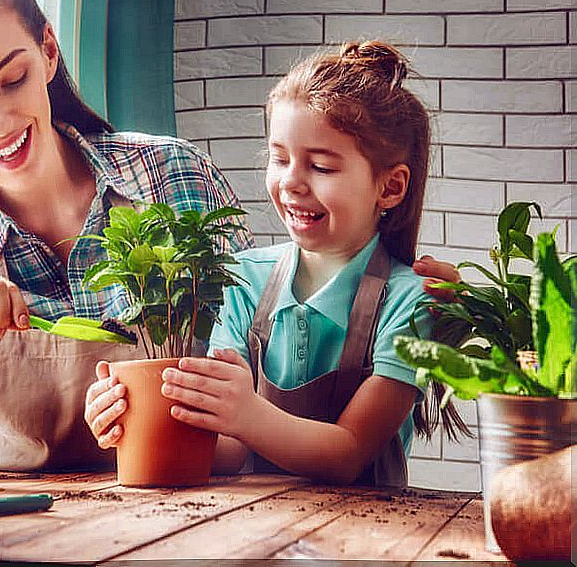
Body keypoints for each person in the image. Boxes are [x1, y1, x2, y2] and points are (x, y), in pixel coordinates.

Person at [0, 0, 458, 474]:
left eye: (13, 77)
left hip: (195, 523)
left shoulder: (175, 180)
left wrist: (403, 304)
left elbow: (282, 341)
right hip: (10, 535)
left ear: (49, 51)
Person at [85, 41, 446, 487]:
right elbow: (231, 451)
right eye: (280, 159)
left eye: (322, 167)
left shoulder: (410, 302)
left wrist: (248, 414)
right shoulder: (244, 279)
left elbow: (349, 454)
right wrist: (133, 418)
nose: (291, 182)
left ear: (390, 188)